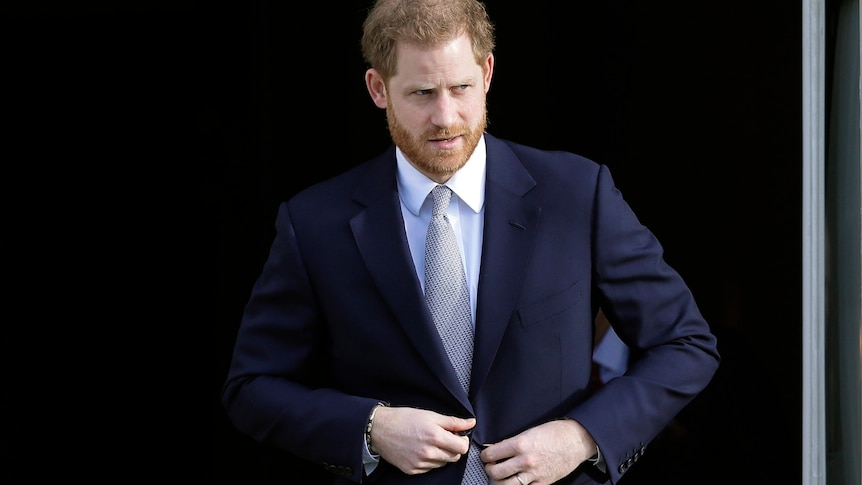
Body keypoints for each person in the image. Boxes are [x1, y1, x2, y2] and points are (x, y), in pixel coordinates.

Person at [221, 0, 720, 483]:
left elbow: (685, 343)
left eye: (460, 87)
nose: (445, 117)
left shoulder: (576, 194)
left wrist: (581, 437)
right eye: (422, 93)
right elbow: (252, 388)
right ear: (378, 88)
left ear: (487, 74)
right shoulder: (314, 223)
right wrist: (370, 428)